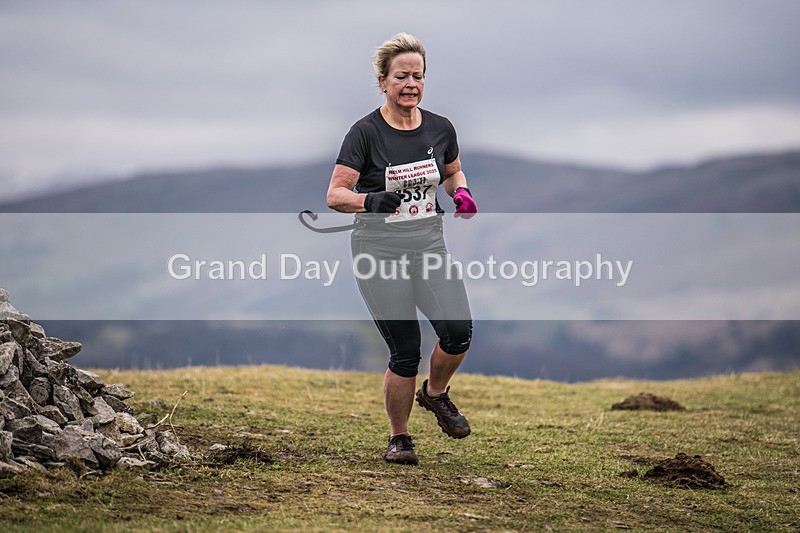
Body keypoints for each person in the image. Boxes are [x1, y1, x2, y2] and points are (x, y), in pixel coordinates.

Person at [326, 33, 478, 465]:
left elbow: (453, 172)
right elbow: (335, 195)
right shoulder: (365, 133)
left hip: (428, 243)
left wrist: (460, 192)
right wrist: (369, 201)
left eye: (418, 75)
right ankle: (400, 438)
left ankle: (435, 393)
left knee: (458, 332)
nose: (410, 83)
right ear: (383, 81)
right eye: (401, 76)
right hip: (379, 251)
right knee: (405, 351)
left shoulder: (440, 127)